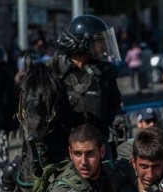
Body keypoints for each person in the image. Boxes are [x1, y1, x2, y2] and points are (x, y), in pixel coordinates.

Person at [50, 14, 125, 156]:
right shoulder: (53, 72)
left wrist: (117, 118)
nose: (103, 46)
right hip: (63, 148)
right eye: (99, 41)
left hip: (97, 147)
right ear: (83, 42)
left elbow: (114, 105)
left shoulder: (105, 73)